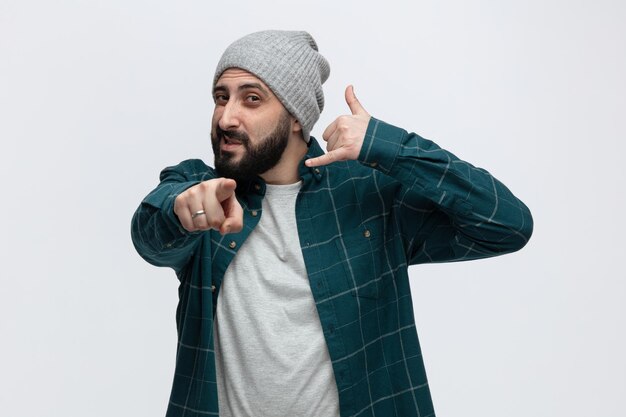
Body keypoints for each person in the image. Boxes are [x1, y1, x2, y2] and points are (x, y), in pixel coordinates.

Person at [131, 30, 533, 417]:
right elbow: (150, 237)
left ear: (295, 117)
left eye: (251, 99)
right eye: (221, 98)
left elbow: (507, 224)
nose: (226, 118)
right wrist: (183, 210)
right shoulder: (201, 190)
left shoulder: (370, 197)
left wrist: (387, 144)